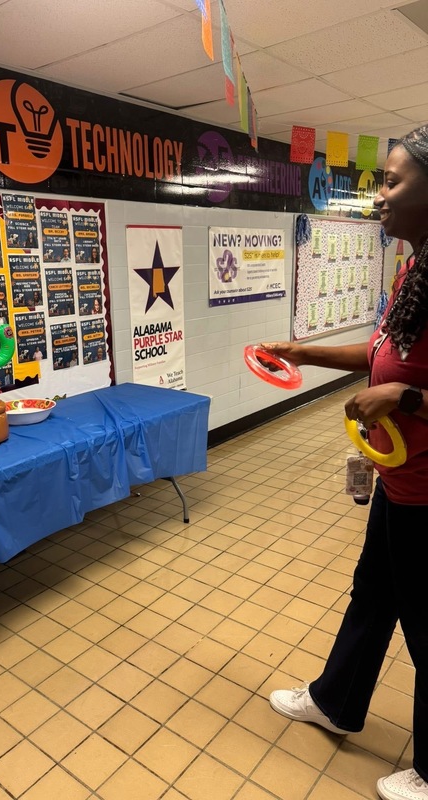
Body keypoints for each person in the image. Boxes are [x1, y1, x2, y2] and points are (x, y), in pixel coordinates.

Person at [265, 125, 428, 800]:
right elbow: (378, 353)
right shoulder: (415, 272)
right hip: (398, 481)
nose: (378, 196)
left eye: (391, 181)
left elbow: (400, 380)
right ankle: (336, 701)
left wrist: (406, 396)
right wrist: (303, 352)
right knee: (373, 596)